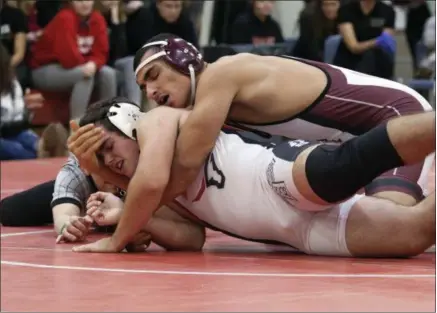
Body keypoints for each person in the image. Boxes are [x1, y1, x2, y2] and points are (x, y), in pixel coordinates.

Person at [68, 97, 435, 258]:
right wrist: (120, 202)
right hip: (293, 232)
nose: (110, 160)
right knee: (413, 233)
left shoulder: (157, 121)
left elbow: (149, 181)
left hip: (275, 173)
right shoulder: (154, 191)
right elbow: (190, 238)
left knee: (343, 165)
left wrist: (117, 239)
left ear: (127, 123)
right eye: (101, 159)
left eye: (108, 147)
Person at [131, 33, 435, 209]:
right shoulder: (207, 106)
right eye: (144, 88)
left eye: (154, 76)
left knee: (388, 218)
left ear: (184, 59)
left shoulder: (221, 75)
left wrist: (136, 212)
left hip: (399, 117)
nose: (152, 91)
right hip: (360, 144)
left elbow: (185, 164)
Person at [0, 152, 204, 252]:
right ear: (87, 166)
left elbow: (188, 235)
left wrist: (134, 229)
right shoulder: (75, 173)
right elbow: (63, 217)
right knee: (8, 211)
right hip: (81, 198)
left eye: (115, 166)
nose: (111, 171)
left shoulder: (138, 167)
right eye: (103, 169)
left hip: (126, 203)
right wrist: (70, 225)